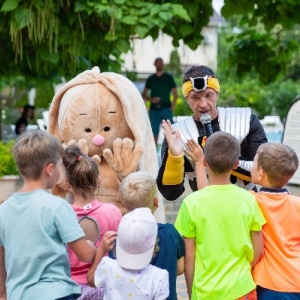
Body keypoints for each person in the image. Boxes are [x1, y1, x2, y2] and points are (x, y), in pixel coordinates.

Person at [0, 130, 97, 300]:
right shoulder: (58, 206)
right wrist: (94, 247)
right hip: (56, 294)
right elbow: (85, 255)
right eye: (60, 166)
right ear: (50, 169)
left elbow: (1, 263)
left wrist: (2, 295)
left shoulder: (4, 210)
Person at [174, 131, 266, 300]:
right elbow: (259, 249)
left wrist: (190, 291)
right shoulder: (249, 200)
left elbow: (189, 257)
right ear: (236, 163)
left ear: (205, 161)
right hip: (242, 289)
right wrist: (242, 270)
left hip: (205, 293)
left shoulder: (191, 203)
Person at [157, 65, 268, 201]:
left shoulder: (246, 121)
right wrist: (174, 157)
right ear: (187, 99)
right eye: (195, 98)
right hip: (205, 212)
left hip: (246, 208)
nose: (203, 104)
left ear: (217, 93)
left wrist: (219, 157)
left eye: (208, 95)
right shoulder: (177, 134)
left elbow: (265, 171)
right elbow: (170, 194)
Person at [63, 144, 122, 300]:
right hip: (104, 286)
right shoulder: (112, 212)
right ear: (98, 180)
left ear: (67, 183)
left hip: (70, 289)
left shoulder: (61, 215)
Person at [116, 171, 184, 300]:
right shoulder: (169, 233)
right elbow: (180, 269)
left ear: (123, 203)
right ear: (156, 202)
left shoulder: (119, 236)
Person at [250, 143, 300, 299]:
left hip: (269, 283)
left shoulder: (252, 200)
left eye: (254, 162)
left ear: (261, 173)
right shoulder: (297, 203)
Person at [87, 207, 169, 299]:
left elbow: (90, 280)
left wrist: (101, 250)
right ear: (154, 244)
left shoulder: (108, 266)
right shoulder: (159, 278)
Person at [142, 57, 178, 146]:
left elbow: (175, 94)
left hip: (166, 109)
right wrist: (151, 99)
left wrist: (172, 107)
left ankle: (172, 152)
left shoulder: (168, 78)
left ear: (163, 64)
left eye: (161, 62)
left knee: (171, 131)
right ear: (154, 64)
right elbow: (144, 95)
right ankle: (153, 154)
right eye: (157, 62)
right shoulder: (151, 79)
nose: (159, 64)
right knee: (153, 134)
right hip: (154, 111)